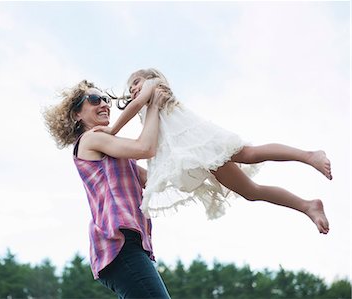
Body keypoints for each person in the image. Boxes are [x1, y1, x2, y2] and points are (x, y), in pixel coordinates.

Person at [95, 68, 332, 235]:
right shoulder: (148, 111)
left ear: (150, 79)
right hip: (196, 155)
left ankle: (310, 155)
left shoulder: (152, 86)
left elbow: (136, 104)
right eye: (131, 87)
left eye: (135, 83)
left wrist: (113, 130)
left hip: (201, 142)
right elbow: (150, 142)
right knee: (251, 191)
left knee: (249, 154)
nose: (133, 89)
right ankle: (307, 206)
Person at [43, 80, 171, 298]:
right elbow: (145, 148)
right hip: (119, 244)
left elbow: (156, 179)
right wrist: (153, 104)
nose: (103, 103)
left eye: (106, 99)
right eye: (94, 99)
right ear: (77, 115)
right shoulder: (90, 139)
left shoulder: (119, 156)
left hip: (130, 245)